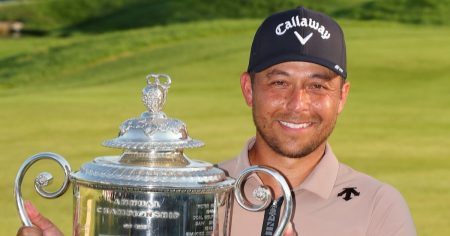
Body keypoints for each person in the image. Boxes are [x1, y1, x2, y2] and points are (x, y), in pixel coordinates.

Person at [17, 7, 416, 236]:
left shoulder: (378, 208)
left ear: (341, 96)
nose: (298, 104)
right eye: (279, 83)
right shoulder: (194, 195)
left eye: (317, 86)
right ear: (248, 89)